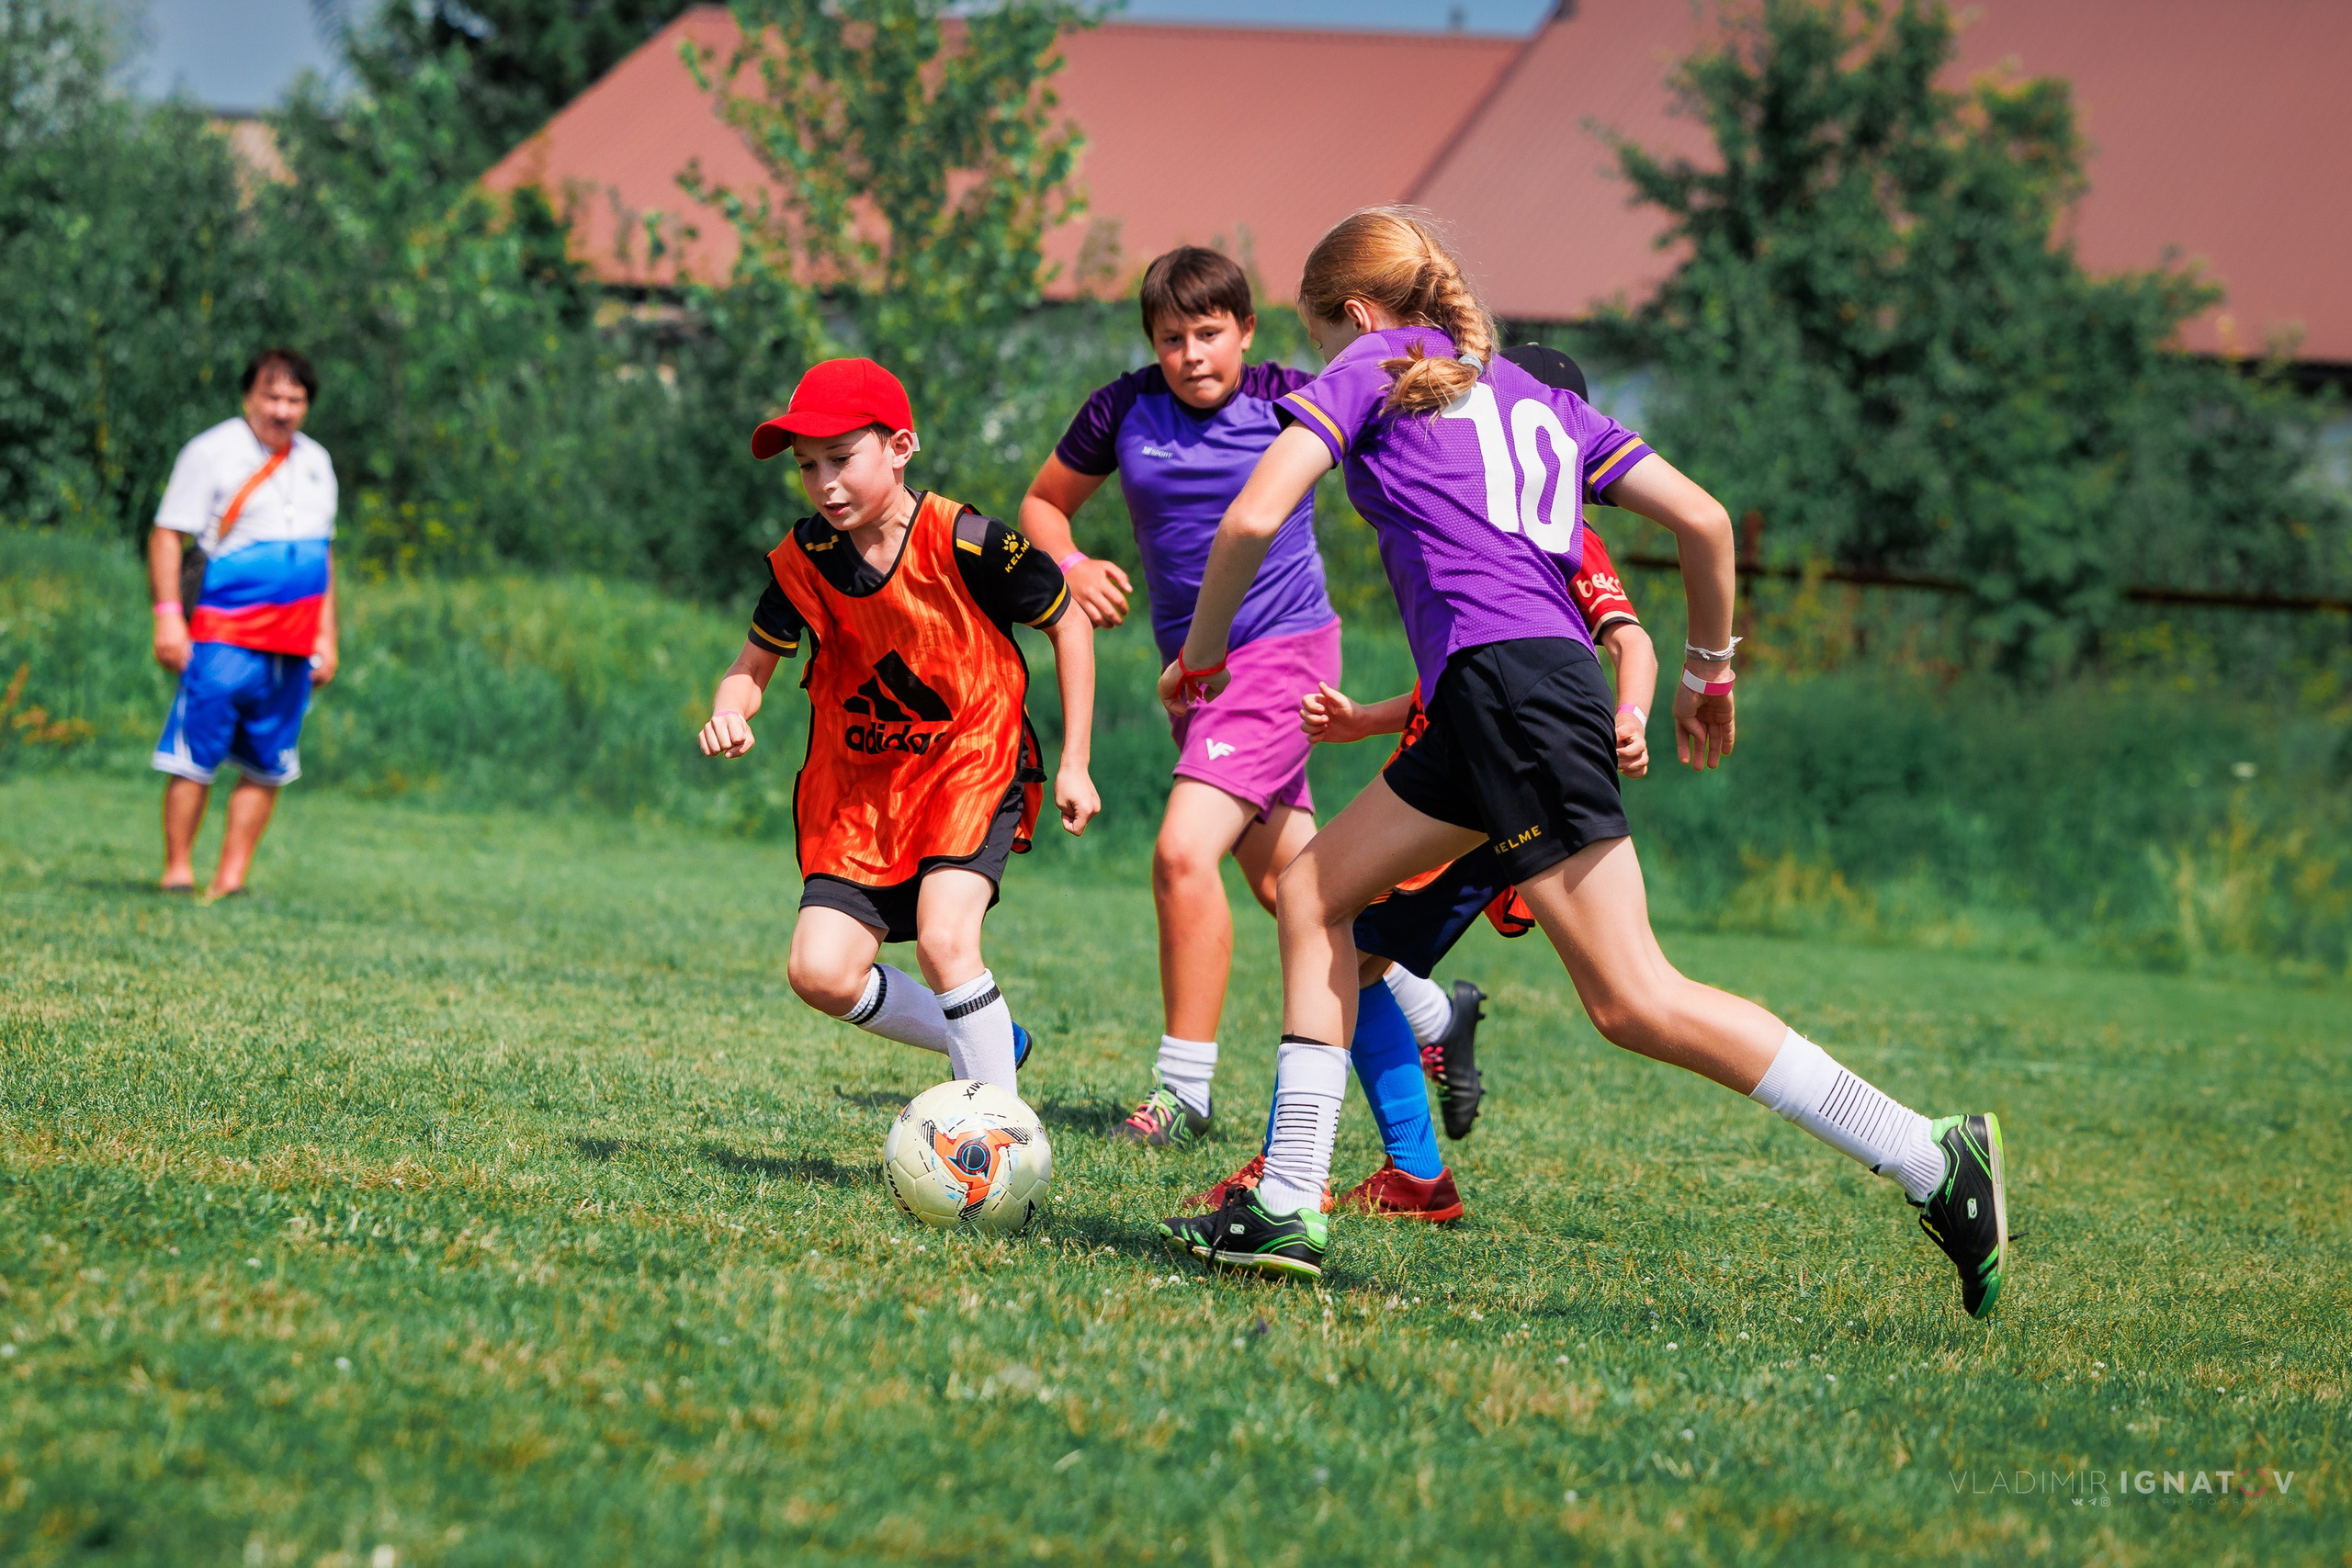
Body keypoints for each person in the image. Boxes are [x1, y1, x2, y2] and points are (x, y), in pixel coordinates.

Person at [1154, 208, 2007, 1320]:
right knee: (1316, 895)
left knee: (1633, 999)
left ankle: (1931, 1157)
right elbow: (1703, 521)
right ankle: (1288, 1197)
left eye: (1326, 335)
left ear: (1356, 314)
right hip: (1500, 693)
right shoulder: (1538, 398)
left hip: (1507, 691)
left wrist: (1202, 653)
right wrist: (1711, 672)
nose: (1332, 358)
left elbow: (1251, 521)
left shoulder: (1373, 360)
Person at [1021, 246, 1478, 1148]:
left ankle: (1181, 1092)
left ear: (1245, 331)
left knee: (1181, 855)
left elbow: (1418, 415)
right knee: (1303, 894)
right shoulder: (1121, 408)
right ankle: (1434, 1024)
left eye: (1208, 333)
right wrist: (1070, 563)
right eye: (1170, 338)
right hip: (1195, 679)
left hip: (1282, 654)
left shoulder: (1288, 395)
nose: (1190, 355)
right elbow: (1043, 503)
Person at [1186, 503, 1658, 1224]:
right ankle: (1414, 1163)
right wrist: (1366, 719)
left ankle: (1308, 1167)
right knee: (1355, 947)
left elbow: (1632, 642)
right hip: (1462, 769)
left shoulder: (1559, 529)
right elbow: (1454, 679)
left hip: (1480, 786)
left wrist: (1633, 715)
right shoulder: (1493, 522)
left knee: (1338, 935)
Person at [698, 357, 1100, 1091]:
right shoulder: (805, 559)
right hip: (863, 791)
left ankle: (995, 1144)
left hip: (971, 766)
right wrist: (730, 709)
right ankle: (988, 1038)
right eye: (807, 465)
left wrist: (1075, 760)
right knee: (819, 970)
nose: (825, 483)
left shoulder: (973, 542)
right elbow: (749, 666)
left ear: (900, 447)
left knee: (947, 943)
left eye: (842, 458)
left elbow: (1069, 624)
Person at [148, 347, 339, 900]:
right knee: (195, 753)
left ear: (307, 405)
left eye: (294, 399)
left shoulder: (316, 462)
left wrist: (327, 634)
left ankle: (232, 878)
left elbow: (321, 556)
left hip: (294, 642)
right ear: (248, 397)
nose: (282, 410)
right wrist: (167, 619)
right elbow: (167, 534)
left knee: (269, 761)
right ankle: (178, 870)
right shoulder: (210, 452)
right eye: (272, 397)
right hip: (222, 634)